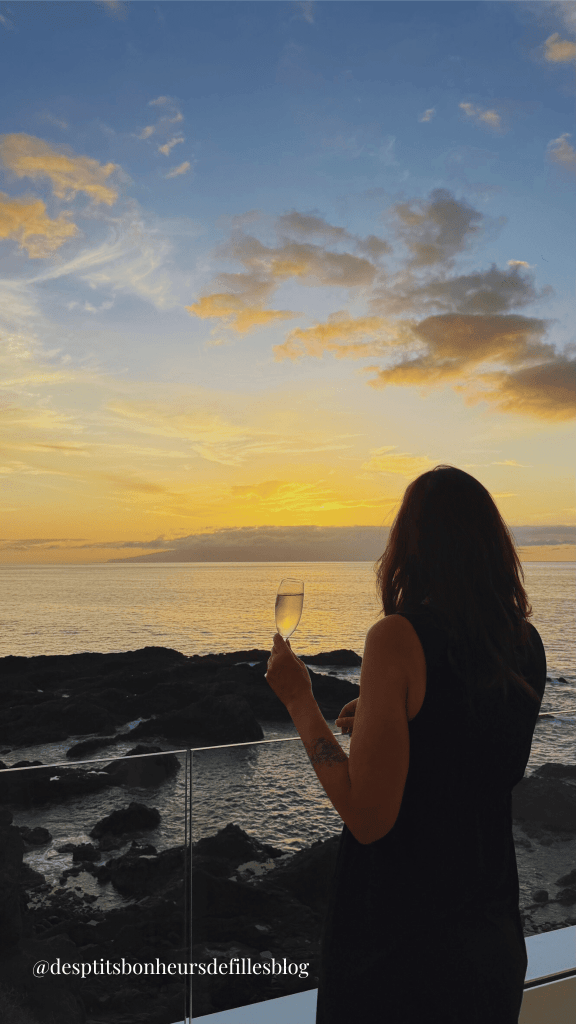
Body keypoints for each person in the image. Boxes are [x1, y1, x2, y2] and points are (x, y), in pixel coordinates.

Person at [265, 465, 546, 1023]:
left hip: (402, 951)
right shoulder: (524, 643)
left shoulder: (397, 637)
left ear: (409, 546)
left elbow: (369, 816)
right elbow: (461, 742)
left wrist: (299, 700)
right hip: (491, 939)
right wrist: (379, 719)